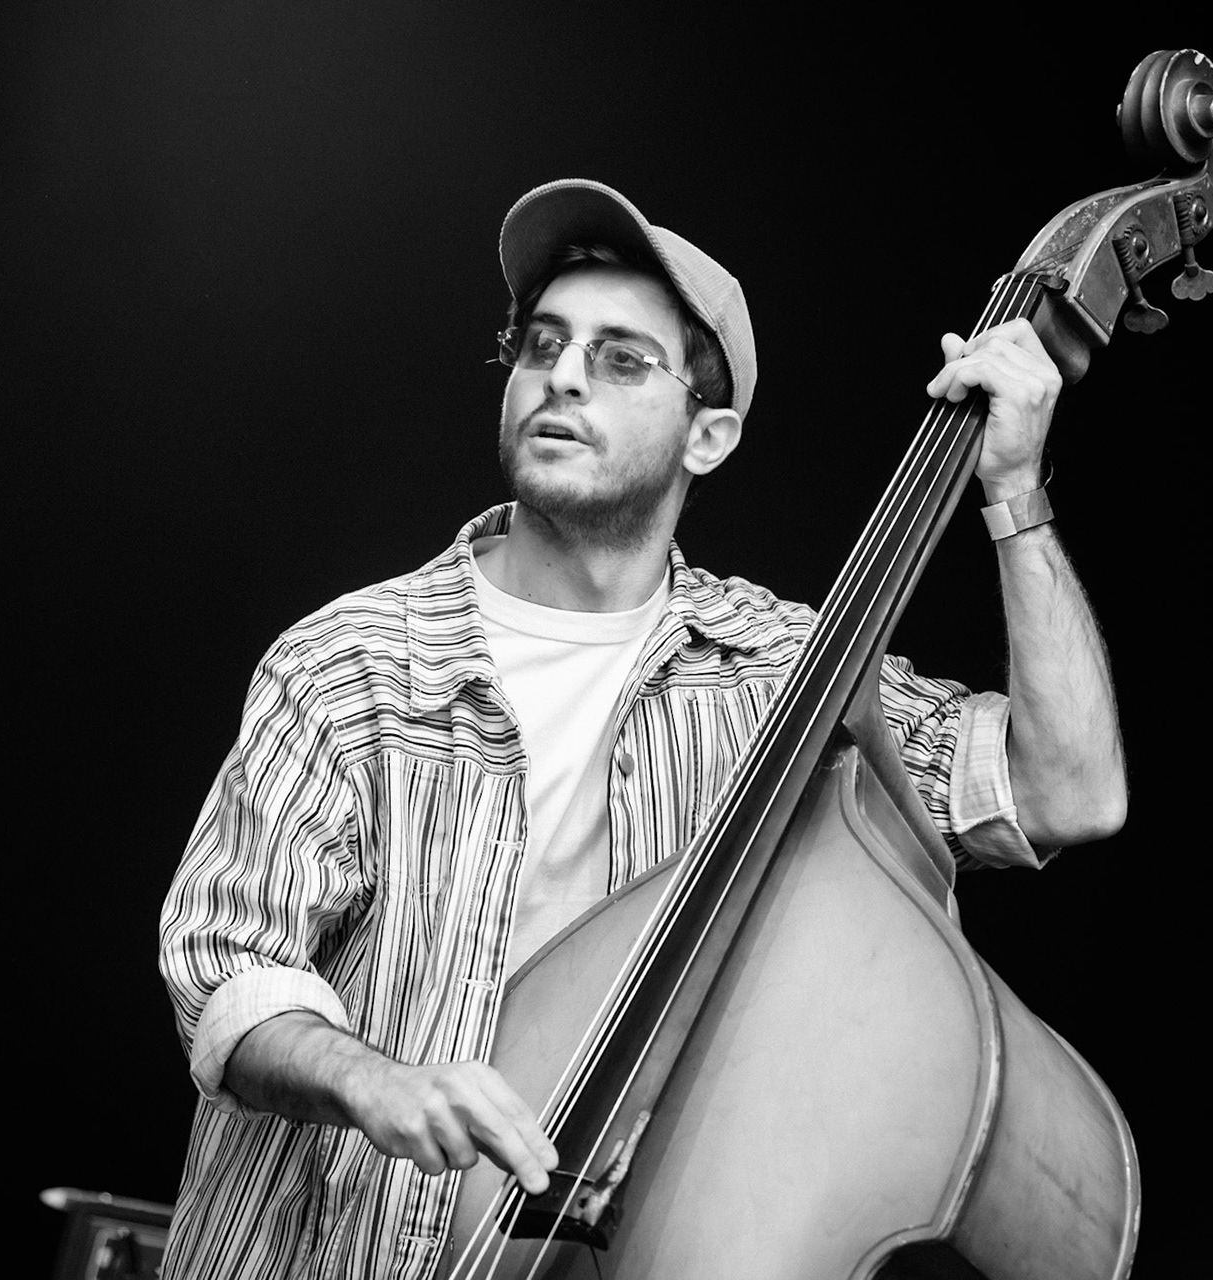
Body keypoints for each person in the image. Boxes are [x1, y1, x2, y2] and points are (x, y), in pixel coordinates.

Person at [157, 179, 1125, 1279]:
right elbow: (229, 962)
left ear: (707, 435)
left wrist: (1012, 492)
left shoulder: (789, 675)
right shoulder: (351, 660)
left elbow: (1063, 792)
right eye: (542, 346)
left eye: (621, 359)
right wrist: (373, 1076)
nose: (562, 374)